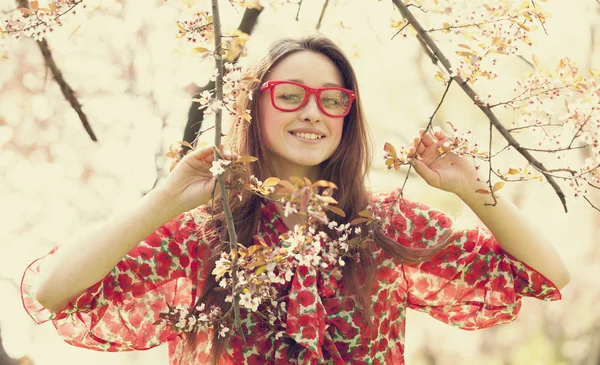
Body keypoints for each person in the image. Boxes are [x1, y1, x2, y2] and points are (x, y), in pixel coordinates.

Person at [21, 35, 570, 365]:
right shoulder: (211, 234)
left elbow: (548, 274)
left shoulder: (385, 224)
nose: (312, 112)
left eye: (332, 100)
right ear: (253, 108)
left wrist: (471, 187)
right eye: (289, 96)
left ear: (346, 117)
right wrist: (165, 200)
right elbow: (53, 292)